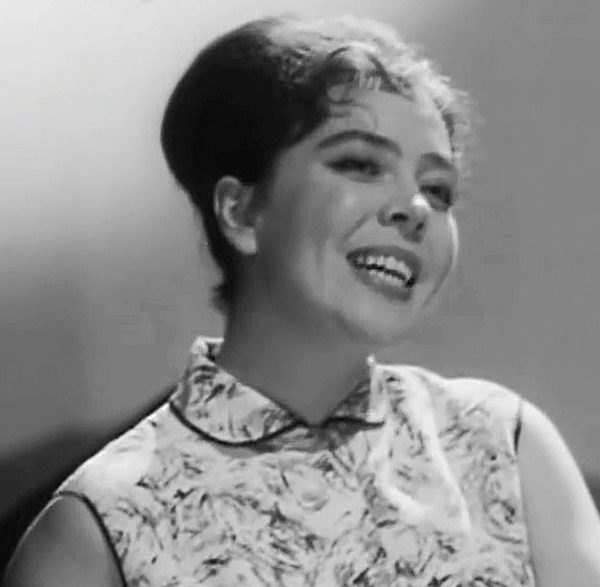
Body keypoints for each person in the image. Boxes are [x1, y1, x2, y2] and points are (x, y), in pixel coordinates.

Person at [4, 13, 600, 587]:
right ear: (240, 212)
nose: (415, 208)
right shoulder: (101, 528)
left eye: (438, 190)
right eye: (360, 164)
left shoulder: (502, 446)